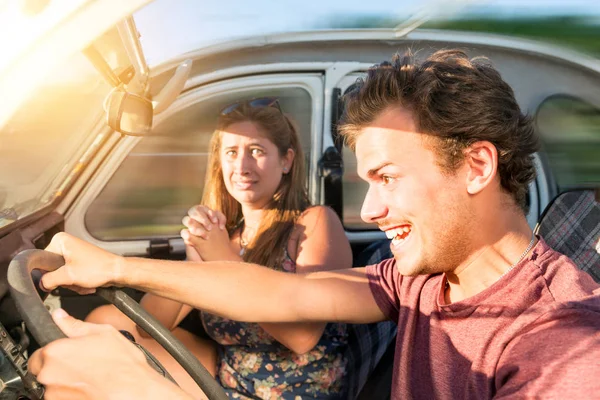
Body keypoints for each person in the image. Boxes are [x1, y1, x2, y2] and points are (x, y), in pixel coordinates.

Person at [35, 49, 600, 399]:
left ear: (477, 165)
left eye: (388, 177)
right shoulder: (423, 279)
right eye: (367, 184)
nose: (373, 211)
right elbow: (281, 295)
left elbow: (295, 329)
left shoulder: (563, 347)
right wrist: (113, 264)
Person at [84, 98, 352, 399]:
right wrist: (193, 261)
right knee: (106, 322)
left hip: (298, 390)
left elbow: (302, 338)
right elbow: (150, 326)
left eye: (256, 151)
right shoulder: (228, 236)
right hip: (229, 378)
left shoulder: (313, 223)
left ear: (286, 160)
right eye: (232, 152)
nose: (242, 166)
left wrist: (222, 258)